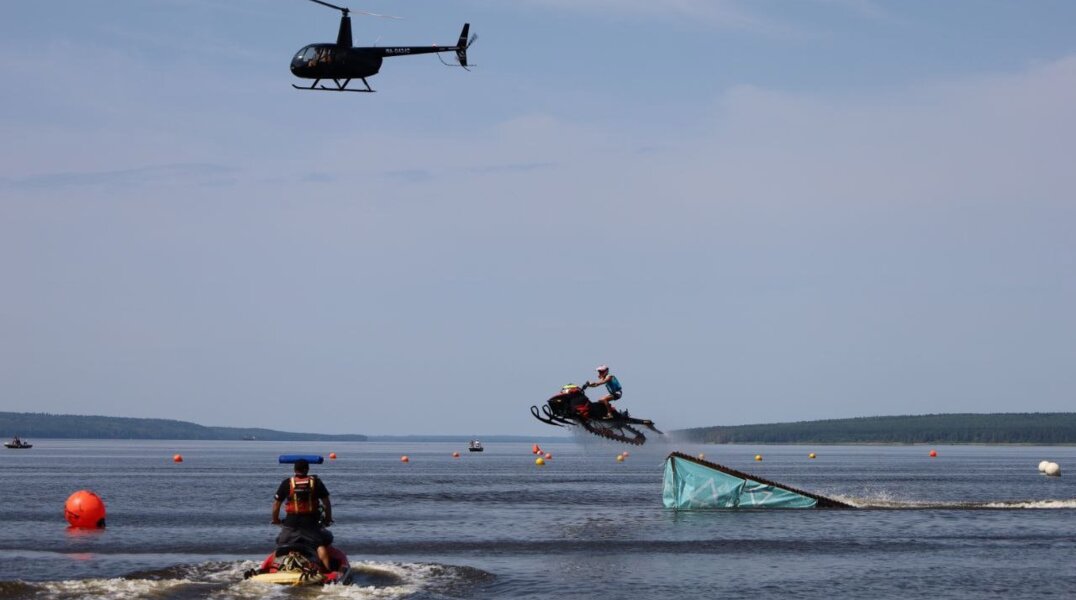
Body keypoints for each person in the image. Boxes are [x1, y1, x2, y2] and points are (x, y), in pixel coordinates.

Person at [271, 459, 334, 572]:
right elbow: (326, 503)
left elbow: (276, 504)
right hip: (310, 523)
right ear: (307, 469)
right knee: (319, 545)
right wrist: (328, 519)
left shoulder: (287, 483)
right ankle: (328, 570)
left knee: (281, 545)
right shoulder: (316, 482)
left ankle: (272, 568)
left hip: (291, 523)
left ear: (294, 469)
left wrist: (275, 519)